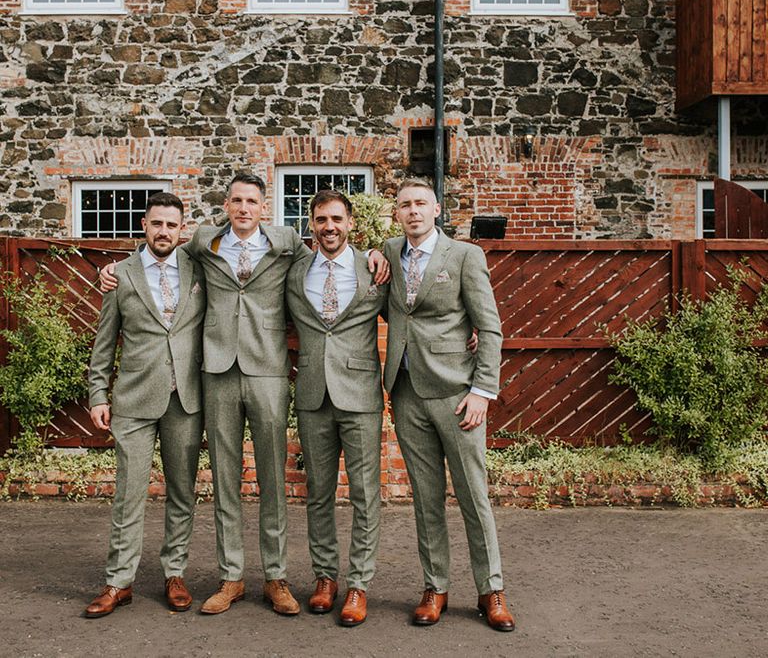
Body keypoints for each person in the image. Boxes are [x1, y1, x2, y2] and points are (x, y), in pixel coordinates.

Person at [100, 172, 389, 617]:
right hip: (215, 371)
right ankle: (231, 576)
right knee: (225, 478)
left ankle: (276, 578)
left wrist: (373, 252)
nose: (243, 208)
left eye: (251, 201)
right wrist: (113, 268)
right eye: (236, 200)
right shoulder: (202, 243)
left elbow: (334, 253)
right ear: (227, 205)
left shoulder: (288, 242)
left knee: (272, 479)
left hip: (268, 371)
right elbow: (154, 258)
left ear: (263, 206)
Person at [382, 178, 515, 631]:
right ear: (396, 213)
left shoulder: (464, 256)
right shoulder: (388, 252)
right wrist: (368, 257)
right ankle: (435, 587)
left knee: (474, 496)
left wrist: (483, 391)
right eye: (405, 205)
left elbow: (490, 328)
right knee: (426, 498)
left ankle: (491, 590)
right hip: (405, 392)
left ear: (436, 209)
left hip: (458, 395)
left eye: (421, 203)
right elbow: (393, 306)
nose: (413, 211)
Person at [85, 192, 206, 618]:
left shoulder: (199, 269)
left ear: (181, 229)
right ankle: (119, 582)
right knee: (129, 493)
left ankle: (175, 573)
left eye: (171, 225)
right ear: (143, 224)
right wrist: (98, 393)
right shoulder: (121, 275)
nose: (163, 232)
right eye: (157, 224)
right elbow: (104, 341)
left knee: (181, 492)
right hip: (134, 400)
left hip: (186, 398)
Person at [285, 190, 387, 627]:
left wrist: (470, 334)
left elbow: (413, 314)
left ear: (350, 223)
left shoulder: (375, 270)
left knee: (365, 495)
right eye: (322, 219)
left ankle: (358, 584)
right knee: (318, 494)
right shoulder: (294, 273)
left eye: (337, 219)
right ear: (311, 224)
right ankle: (325, 577)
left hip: (361, 394)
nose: (329, 227)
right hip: (311, 393)